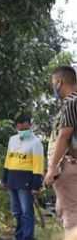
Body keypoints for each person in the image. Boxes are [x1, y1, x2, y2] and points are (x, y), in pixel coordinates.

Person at [1, 114, 44, 240]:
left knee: (27, 212)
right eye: (20, 128)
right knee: (16, 212)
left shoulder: (36, 143)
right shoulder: (12, 140)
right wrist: (4, 179)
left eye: (26, 128)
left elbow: (38, 166)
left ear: (30, 126)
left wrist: (36, 186)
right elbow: (8, 160)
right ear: (16, 127)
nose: (23, 131)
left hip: (26, 182)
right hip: (12, 180)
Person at [44, 65, 77, 230]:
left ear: (59, 82)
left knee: (71, 212)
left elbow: (64, 135)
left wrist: (52, 167)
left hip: (71, 164)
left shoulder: (71, 103)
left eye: (53, 83)